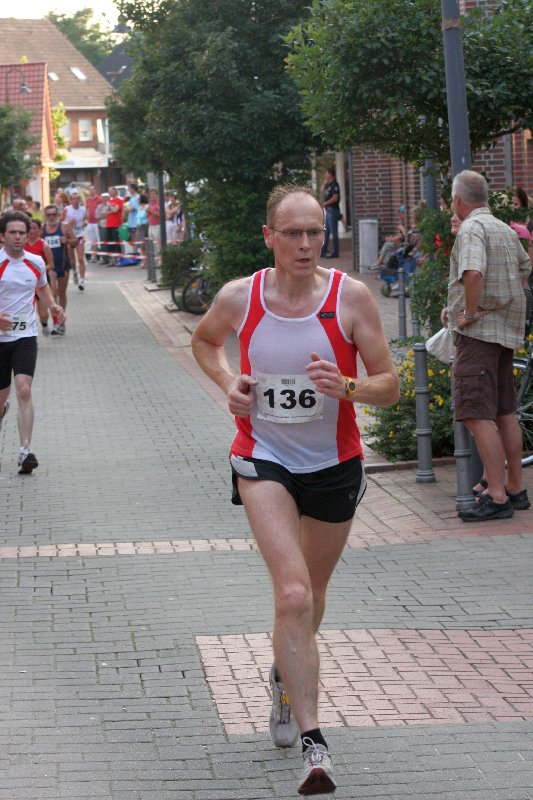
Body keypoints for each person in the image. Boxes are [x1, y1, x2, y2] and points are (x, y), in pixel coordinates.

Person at [191, 184, 399, 795]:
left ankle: (285, 676)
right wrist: (228, 382)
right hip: (264, 457)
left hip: (334, 463)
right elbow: (204, 341)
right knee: (292, 590)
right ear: (270, 237)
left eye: (315, 232)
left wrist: (349, 388)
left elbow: (389, 383)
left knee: (313, 594)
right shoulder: (241, 296)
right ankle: (314, 742)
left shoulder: (351, 298)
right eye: (293, 233)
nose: (306, 244)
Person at [442, 170, 532, 522]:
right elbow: (525, 267)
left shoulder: (472, 229)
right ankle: (515, 486)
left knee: (476, 413)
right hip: (504, 333)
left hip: (478, 336)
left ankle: (496, 495)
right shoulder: (504, 229)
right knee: (504, 411)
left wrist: (469, 312)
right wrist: (500, 301)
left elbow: (473, 273)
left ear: (457, 199)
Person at [0, 210, 66, 473]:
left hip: (25, 335)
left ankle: (25, 451)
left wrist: (53, 306)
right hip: (0, 339)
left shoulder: (35, 262)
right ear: (2, 236)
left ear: (28, 236)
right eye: (12, 232)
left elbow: (42, 288)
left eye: (22, 233)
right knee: (1, 397)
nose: (18, 237)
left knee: (24, 389)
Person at [42, 204, 77, 335]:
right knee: (53, 295)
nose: (51, 217)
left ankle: (61, 321)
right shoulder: (42, 229)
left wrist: (67, 240)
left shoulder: (64, 226)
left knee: (61, 294)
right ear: (45, 216)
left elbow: (75, 242)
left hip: (63, 265)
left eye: (54, 214)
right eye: (48, 215)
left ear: (58, 215)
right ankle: (56, 322)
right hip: (50, 266)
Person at [24, 218, 56, 337]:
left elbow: (51, 264)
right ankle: (25, 333)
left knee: (42, 313)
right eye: (30, 228)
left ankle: (44, 324)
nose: (32, 231)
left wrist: (38, 269)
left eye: (34, 228)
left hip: (40, 280)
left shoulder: (44, 245)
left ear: (39, 230)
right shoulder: (22, 244)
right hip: (24, 281)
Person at [61, 189, 87, 290]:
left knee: (81, 259)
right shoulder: (67, 209)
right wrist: (69, 224)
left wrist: (85, 222)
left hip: (79, 236)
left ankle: (82, 281)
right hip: (70, 237)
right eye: (73, 199)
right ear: (70, 200)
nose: (75, 201)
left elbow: (85, 218)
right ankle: (75, 272)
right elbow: (59, 221)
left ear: (79, 200)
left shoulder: (83, 209)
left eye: (77, 199)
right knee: (72, 260)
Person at [319, 168, 341, 259]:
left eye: (326, 173)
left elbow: (335, 198)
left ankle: (335, 252)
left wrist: (326, 203)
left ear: (330, 174)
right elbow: (322, 191)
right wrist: (325, 183)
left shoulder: (335, 185)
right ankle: (323, 251)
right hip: (328, 211)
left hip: (333, 210)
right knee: (326, 232)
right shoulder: (329, 185)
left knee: (333, 232)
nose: (325, 175)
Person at [105, 187, 124, 266]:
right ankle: (112, 260)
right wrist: (111, 208)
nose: (109, 193)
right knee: (110, 243)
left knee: (117, 242)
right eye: (108, 191)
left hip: (116, 224)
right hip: (108, 224)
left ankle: (118, 259)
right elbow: (106, 212)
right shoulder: (109, 201)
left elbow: (116, 210)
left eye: (110, 191)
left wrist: (110, 207)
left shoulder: (119, 200)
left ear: (115, 192)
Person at [84, 185, 102, 262]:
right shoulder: (87, 199)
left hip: (97, 222)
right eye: (90, 190)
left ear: (95, 190)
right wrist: (86, 219)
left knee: (99, 240)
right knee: (92, 240)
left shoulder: (99, 199)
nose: (91, 191)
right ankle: (94, 256)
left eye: (92, 189)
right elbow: (86, 209)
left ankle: (101, 256)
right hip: (90, 222)